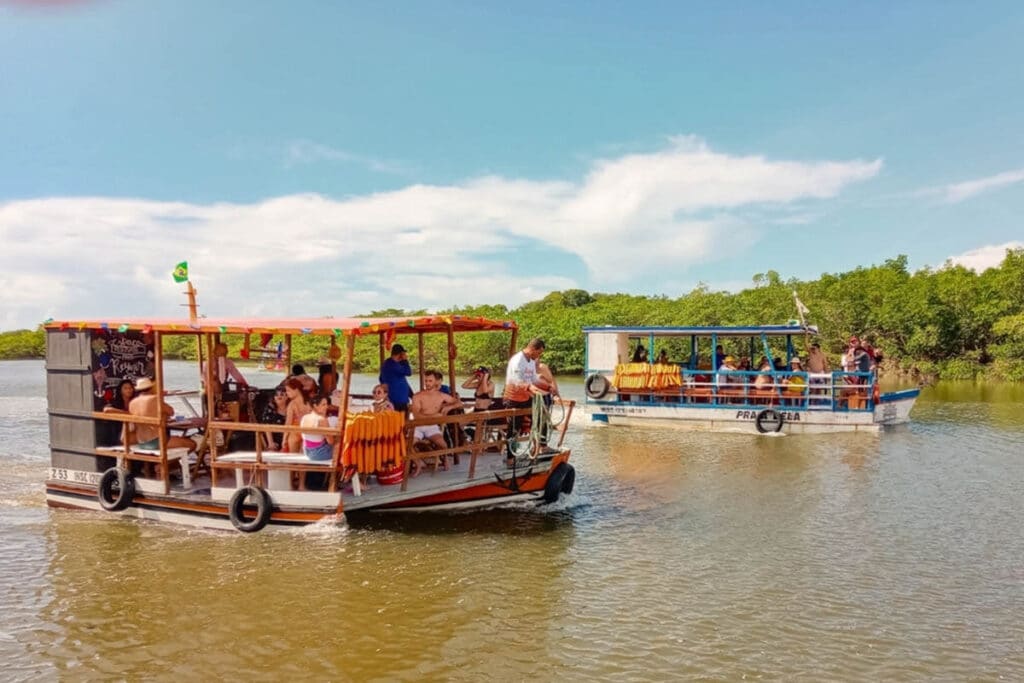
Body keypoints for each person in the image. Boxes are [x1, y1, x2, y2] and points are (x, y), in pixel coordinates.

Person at [409, 370, 462, 474]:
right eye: (426, 381)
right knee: (407, 445)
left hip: (431, 426)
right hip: (418, 426)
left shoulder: (441, 395)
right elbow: (417, 416)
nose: (427, 383)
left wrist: (449, 406)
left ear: (436, 382)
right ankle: (418, 462)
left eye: (430, 381)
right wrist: (435, 416)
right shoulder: (417, 396)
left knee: (443, 444)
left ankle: (445, 458)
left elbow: (459, 402)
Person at [128, 377, 197, 452]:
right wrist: (160, 396)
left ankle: (171, 463)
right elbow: (171, 411)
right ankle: (163, 464)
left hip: (141, 442)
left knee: (177, 441)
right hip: (157, 441)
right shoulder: (154, 399)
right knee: (192, 444)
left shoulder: (132, 402)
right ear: (151, 388)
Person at [503, 338, 548, 408]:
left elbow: (534, 379)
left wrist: (548, 387)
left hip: (525, 398)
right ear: (532, 348)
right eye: (539, 353)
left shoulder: (532, 361)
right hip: (513, 399)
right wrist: (529, 386)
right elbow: (517, 381)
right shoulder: (518, 359)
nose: (539, 356)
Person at [299, 395, 336, 461]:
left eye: (327, 404)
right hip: (318, 453)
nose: (326, 407)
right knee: (342, 448)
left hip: (306, 451)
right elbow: (331, 441)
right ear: (315, 405)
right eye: (323, 405)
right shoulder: (321, 420)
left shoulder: (305, 417)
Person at [379, 344, 413, 414]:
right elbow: (409, 372)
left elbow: (381, 378)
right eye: (403, 354)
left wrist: (411, 395)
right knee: (401, 423)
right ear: (400, 354)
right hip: (398, 400)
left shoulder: (387, 363)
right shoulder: (393, 365)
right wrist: (405, 360)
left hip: (396, 399)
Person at [283, 378, 311, 453]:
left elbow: (288, 423)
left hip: (294, 432)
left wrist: (284, 439)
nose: (287, 393)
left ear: (296, 389)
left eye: (288, 390)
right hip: (308, 432)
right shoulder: (310, 402)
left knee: (293, 458)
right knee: (304, 459)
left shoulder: (292, 405)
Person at [260, 386, 289, 450]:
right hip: (273, 438)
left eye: (282, 394)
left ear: (287, 397)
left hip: (288, 439)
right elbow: (267, 425)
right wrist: (271, 443)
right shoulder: (270, 408)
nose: (279, 397)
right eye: (276, 395)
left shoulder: (291, 408)